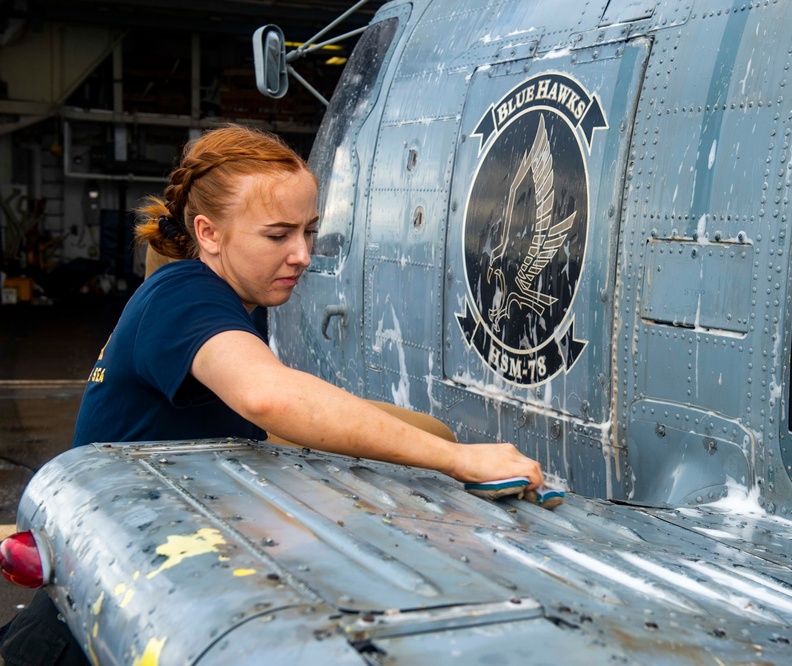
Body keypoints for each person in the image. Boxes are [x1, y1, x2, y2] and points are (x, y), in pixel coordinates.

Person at [0, 123, 542, 665]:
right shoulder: (187, 297)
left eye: (309, 231)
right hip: (100, 630)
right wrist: (458, 459)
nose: (303, 254)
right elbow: (268, 397)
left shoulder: (216, 290)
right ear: (209, 234)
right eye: (278, 235)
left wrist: (431, 441)